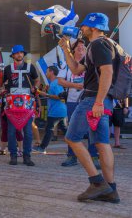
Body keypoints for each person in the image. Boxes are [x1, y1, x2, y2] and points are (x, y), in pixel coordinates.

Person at [59, 13, 119, 203]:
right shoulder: (102, 45)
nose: (82, 28)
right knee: (102, 144)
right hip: (103, 100)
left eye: (84, 25)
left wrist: (98, 102)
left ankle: (97, 182)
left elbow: (107, 72)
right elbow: (76, 70)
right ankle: (111, 190)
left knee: (72, 138)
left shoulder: (98, 44)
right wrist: (66, 49)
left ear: (93, 27)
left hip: (93, 99)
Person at [58, 39, 100, 168]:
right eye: (78, 47)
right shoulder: (66, 64)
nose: (81, 48)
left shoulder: (92, 63)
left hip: (90, 101)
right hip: (73, 101)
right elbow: (60, 81)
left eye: (84, 46)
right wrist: (76, 85)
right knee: (72, 130)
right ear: (73, 50)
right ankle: (72, 157)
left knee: (93, 129)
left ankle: (94, 157)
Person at [3, 45, 40, 166]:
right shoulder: (8, 69)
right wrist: (4, 89)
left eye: (21, 53)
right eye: (17, 53)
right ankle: (13, 156)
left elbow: (37, 79)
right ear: (13, 55)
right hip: (11, 103)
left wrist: (36, 87)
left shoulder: (30, 67)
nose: (19, 55)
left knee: (28, 131)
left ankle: (27, 156)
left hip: (27, 103)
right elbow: (2, 83)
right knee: (11, 132)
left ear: (23, 54)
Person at [34, 66, 67, 153]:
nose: (46, 73)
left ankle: (42, 147)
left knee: (49, 129)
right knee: (65, 131)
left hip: (56, 111)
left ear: (51, 72)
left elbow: (60, 96)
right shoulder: (54, 83)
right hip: (59, 110)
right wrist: (47, 92)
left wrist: (46, 94)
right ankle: (76, 146)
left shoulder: (55, 83)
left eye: (47, 71)